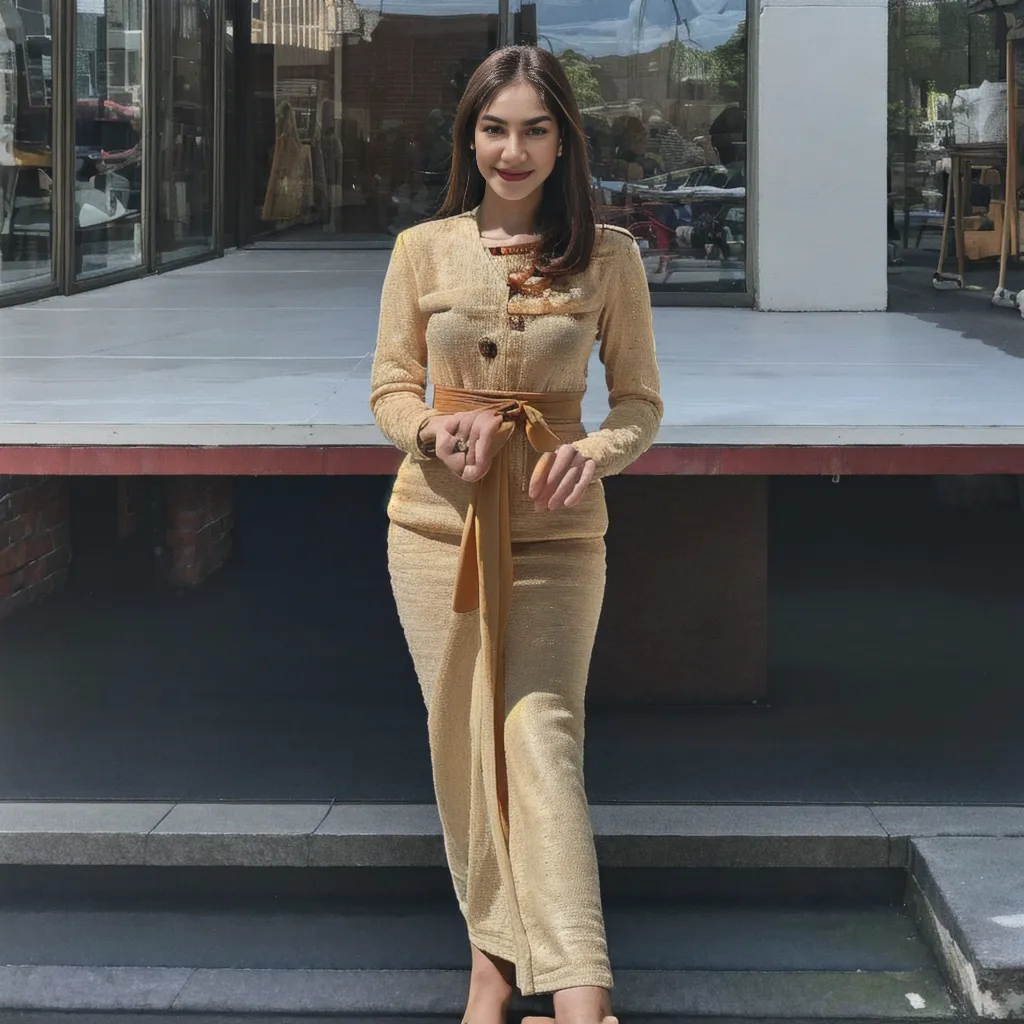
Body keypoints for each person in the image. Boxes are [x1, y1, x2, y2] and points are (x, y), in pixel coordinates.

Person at [369, 44, 663, 1024]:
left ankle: (583, 1001)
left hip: (556, 532)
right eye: (494, 128)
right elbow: (389, 386)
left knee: (537, 738)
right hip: (432, 533)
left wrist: (603, 452)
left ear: (562, 141)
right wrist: (427, 427)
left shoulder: (610, 254)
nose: (513, 149)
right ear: (470, 136)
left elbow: (639, 405)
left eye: (535, 129)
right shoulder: (421, 248)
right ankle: (490, 977)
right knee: (462, 744)